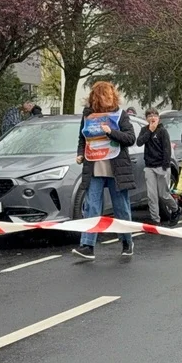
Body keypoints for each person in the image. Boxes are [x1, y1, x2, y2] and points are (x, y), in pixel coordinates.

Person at [73, 82, 138, 260]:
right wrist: (80, 154)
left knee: (121, 208)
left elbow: (130, 138)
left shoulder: (120, 115)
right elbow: (82, 138)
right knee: (91, 207)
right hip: (94, 168)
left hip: (116, 169)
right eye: (100, 96)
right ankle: (87, 246)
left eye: (105, 96)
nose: (103, 99)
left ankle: (127, 242)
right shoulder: (88, 116)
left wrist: (111, 132)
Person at [137, 108, 180, 226]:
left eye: (154, 115)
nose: (152, 118)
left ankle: (175, 209)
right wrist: (149, 131)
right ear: (146, 118)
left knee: (163, 194)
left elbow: (167, 149)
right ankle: (155, 219)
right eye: (149, 116)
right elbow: (139, 142)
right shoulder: (144, 130)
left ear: (158, 118)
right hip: (149, 167)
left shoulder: (162, 131)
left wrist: (166, 166)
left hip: (162, 166)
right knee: (152, 196)